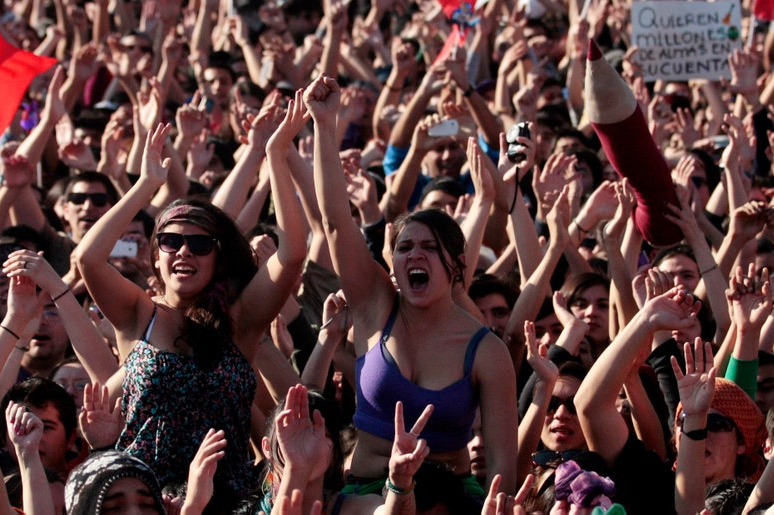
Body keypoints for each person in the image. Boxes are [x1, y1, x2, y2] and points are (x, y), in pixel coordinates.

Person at [74, 101, 308, 508]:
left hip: (229, 501)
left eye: (200, 244)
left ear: (219, 258)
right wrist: (146, 184)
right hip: (145, 504)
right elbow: (87, 259)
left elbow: (291, 254)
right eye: (171, 241)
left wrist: (274, 157)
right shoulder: (138, 314)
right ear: (157, 255)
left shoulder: (242, 320)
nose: (184, 252)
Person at [307, 75, 517, 511]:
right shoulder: (373, 306)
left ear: (457, 266)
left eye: (429, 248)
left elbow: (499, 459)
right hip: (369, 490)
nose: (414, 256)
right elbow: (334, 223)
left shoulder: (486, 350)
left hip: (452, 495)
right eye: (404, 248)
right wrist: (325, 126)